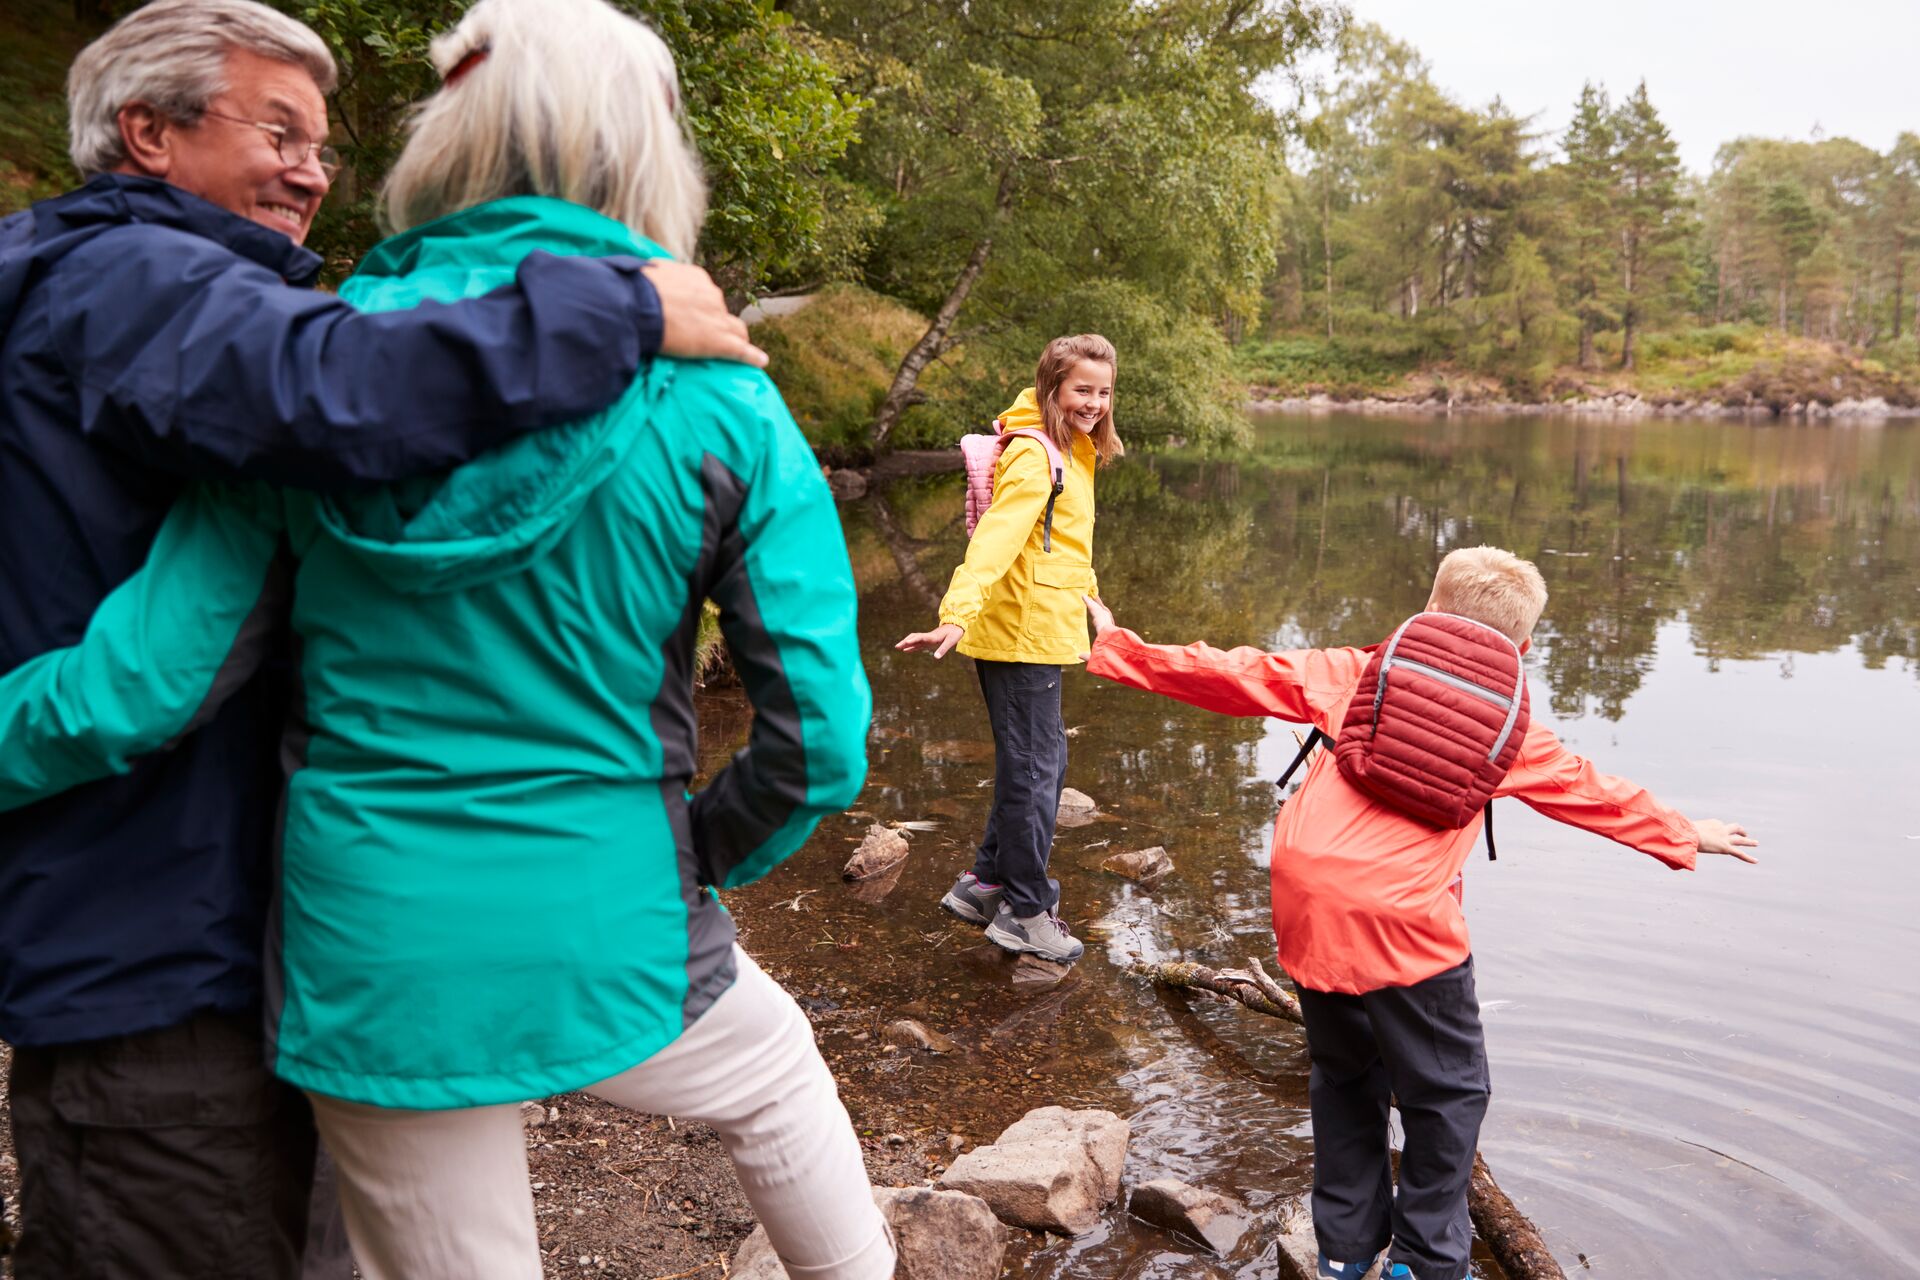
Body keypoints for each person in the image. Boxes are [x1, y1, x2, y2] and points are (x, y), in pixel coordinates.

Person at [0, 0, 890, 1276]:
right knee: (776, 1080)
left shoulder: (315, 359)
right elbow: (822, 743)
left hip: (372, 946)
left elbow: (149, 679)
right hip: (623, 915)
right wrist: (696, 852)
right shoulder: (721, 388)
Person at [1080, 546, 1758, 1280]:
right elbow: (1592, 793)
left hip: (1307, 902)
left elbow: (1234, 673)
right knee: (1449, 1095)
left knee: (1344, 1080)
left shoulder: (1353, 671)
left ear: (1429, 609)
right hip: (1404, 928)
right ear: (1524, 646)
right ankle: (1429, 1263)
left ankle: (1343, 1253)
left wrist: (1122, 648)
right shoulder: (1510, 724)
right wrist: (1689, 833)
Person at [895, 335, 1124, 966]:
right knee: (1035, 770)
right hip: (1020, 634)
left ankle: (985, 883)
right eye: (1083, 390)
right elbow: (995, 541)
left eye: (1104, 392)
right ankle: (1026, 911)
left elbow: (1063, 546)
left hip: (1042, 628)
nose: (1095, 403)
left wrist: (1094, 603)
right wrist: (954, 616)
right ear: (1053, 389)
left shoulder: (1074, 451)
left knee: (1036, 759)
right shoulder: (1035, 455)